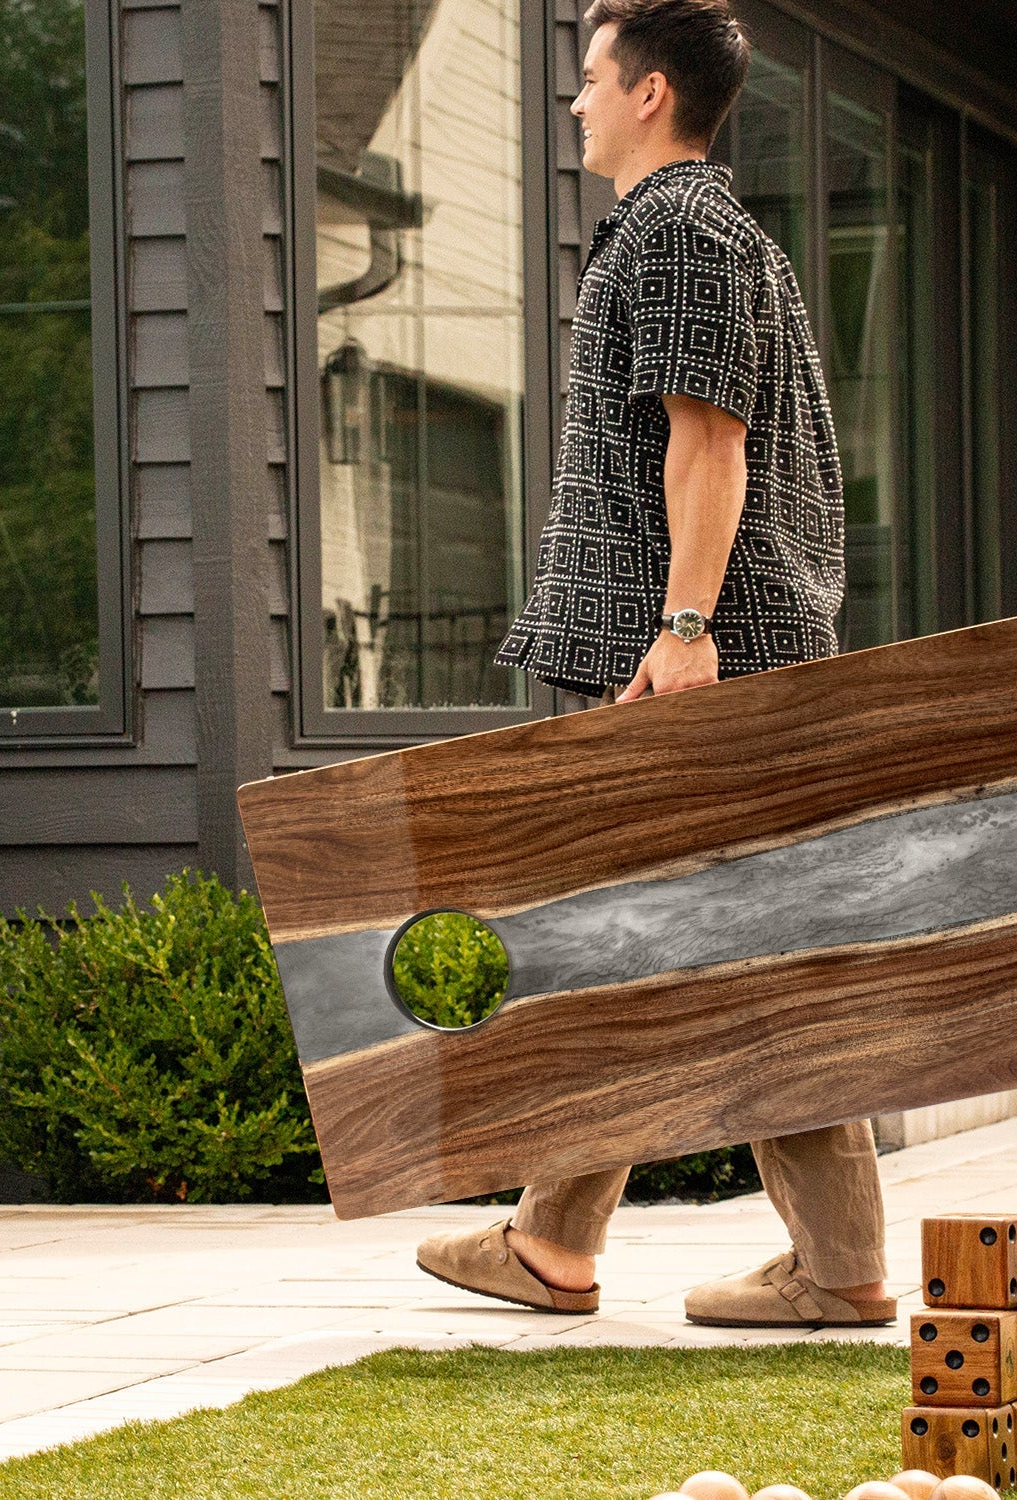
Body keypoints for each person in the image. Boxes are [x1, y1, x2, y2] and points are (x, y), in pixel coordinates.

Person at [415, 0, 892, 1329]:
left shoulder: (682, 233)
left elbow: (710, 442)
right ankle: (559, 1238)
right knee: (647, 942)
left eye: (586, 79)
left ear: (651, 93)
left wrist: (686, 634)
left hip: (678, 654)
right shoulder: (691, 234)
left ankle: (827, 1264)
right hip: (680, 646)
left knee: (718, 950)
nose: (571, 102)